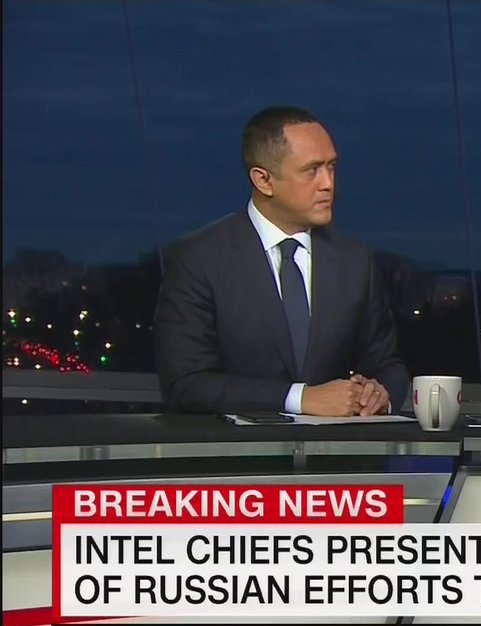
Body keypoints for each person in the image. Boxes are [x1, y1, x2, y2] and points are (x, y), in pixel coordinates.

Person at [154, 106, 409, 415]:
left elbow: (387, 365)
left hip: (336, 447)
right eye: (312, 170)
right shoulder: (198, 259)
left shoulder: (355, 261)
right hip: (238, 446)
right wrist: (301, 398)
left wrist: (379, 394)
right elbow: (186, 385)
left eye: (331, 167)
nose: (328, 183)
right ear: (263, 180)